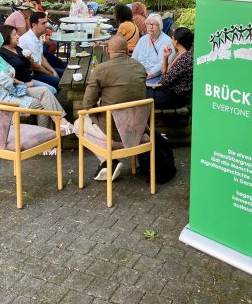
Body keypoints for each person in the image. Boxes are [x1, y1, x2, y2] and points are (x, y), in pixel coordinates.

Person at [0, 30, 73, 148]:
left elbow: (11, 70)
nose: (0, 45)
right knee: (41, 105)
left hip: (13, 90)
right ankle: (46, 144)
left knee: (44, 91)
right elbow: (6, 81)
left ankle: (61, 122)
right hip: (2, 99)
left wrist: (9, 75)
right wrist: (10, 76)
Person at [74, 35, 147, 181]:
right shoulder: (140, 67)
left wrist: (101, 103)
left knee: (78, 124)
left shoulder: (101, 70)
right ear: (127, 50)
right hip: (138, 129)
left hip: (114, 131)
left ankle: (108, 161)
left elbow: (87, 104)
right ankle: (109, 162)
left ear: (107, 50)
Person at [0, 25, 57, 95]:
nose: (18, 36)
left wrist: (30, 59)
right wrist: (24, 84)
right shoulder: (1, 53)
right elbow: (6, 75)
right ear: (6, 36)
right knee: (52, 91)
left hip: (29, 79)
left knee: (53, 89)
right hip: (19, 84)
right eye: (14, 34)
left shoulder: (17, 48)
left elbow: (29, 66)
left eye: (17, 34)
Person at [147, 27, 194, 109]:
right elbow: (164, 72)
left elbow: (164, 80)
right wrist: (165, 57)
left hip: (175, 97)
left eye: (172, 38)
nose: (171, 41)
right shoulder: (179, 54)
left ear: (176, 42)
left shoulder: (185, 59)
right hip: (168, 91)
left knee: (142, 95)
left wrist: (153, 85)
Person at [19, 12, 63, 91]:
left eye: (46, 22)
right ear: (34, 25)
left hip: (39, 69)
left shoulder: (38, 36)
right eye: (43, 23)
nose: (46, 26)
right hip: (32, 74)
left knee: (64, 73)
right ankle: (50, 101)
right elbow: (35, 66)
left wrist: (53, 71)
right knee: (58, 82)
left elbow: (41, 57)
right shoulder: (28, 40)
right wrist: (51, 74)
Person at [131, 13, 175, 84]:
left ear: (160, 26)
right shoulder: (143, 39)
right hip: (138, 74)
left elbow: (162, 64)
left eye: (154, 24)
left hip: (155, 77)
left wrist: (147, 75)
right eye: (148, 24)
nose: (150, 27)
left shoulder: (166, 41)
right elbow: (134, 58)